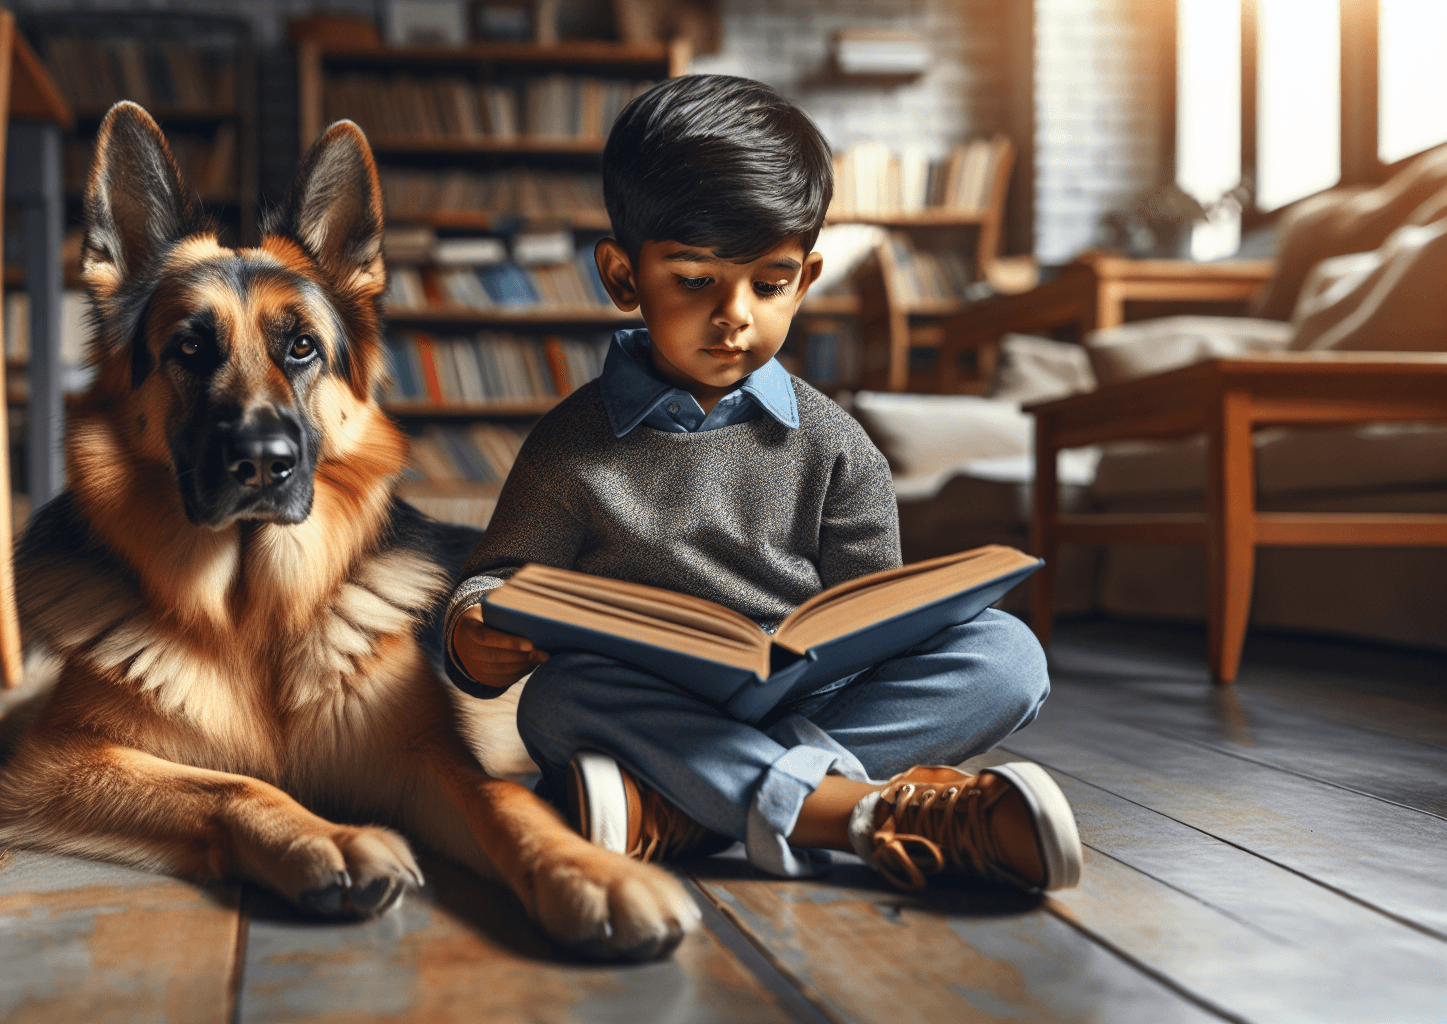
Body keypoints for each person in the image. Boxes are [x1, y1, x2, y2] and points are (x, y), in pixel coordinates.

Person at [441, 75, 1080, 890]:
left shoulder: (839, 447)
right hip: (652, 700)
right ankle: (858, 809)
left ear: (805, 280)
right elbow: (495, 580)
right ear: (623, 277)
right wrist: (474, 636)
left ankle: (679, 807)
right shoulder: (569, 446)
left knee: (1010, 657)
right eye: (695, 279)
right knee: (559, 697)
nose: (735, 314)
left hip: (804, 701)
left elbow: (875, 615)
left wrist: (885, 629)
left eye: (769, 284)